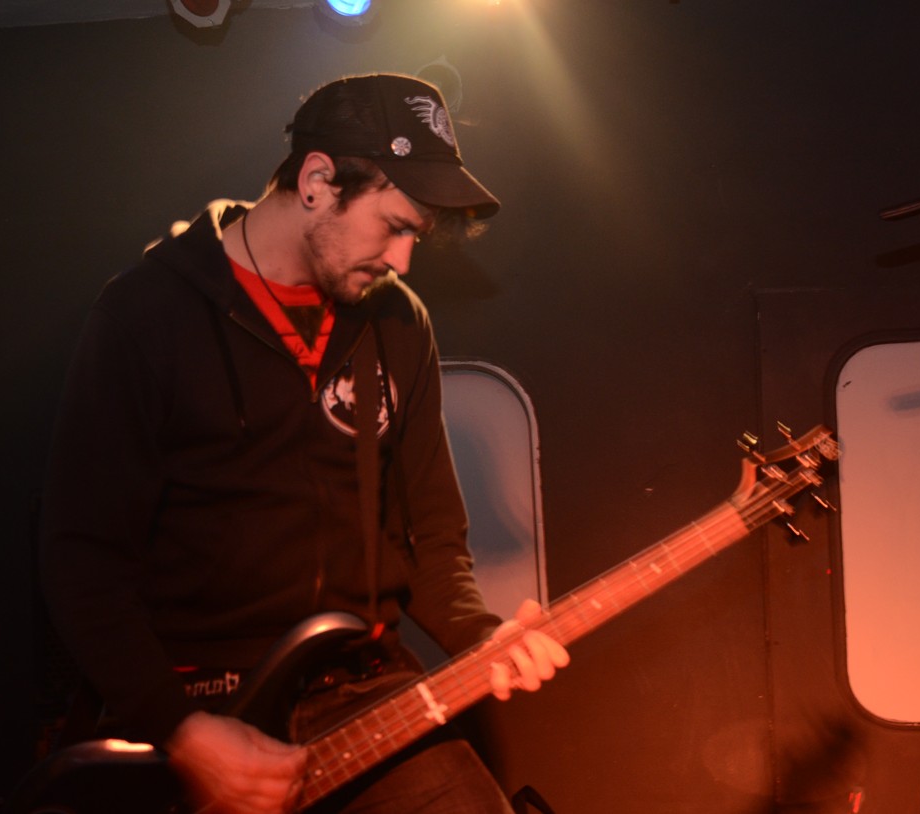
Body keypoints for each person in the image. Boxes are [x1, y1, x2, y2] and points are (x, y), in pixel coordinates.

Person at [39, 73, 569, 814]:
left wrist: (481, 636)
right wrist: (181, 729)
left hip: (361, 685)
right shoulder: (144, 315)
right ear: (317, 181)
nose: (403, 260)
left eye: (415, 235)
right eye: (393, 225)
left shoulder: (398, 322)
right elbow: (82, 559)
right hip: (198, 702)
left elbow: (433, 536)